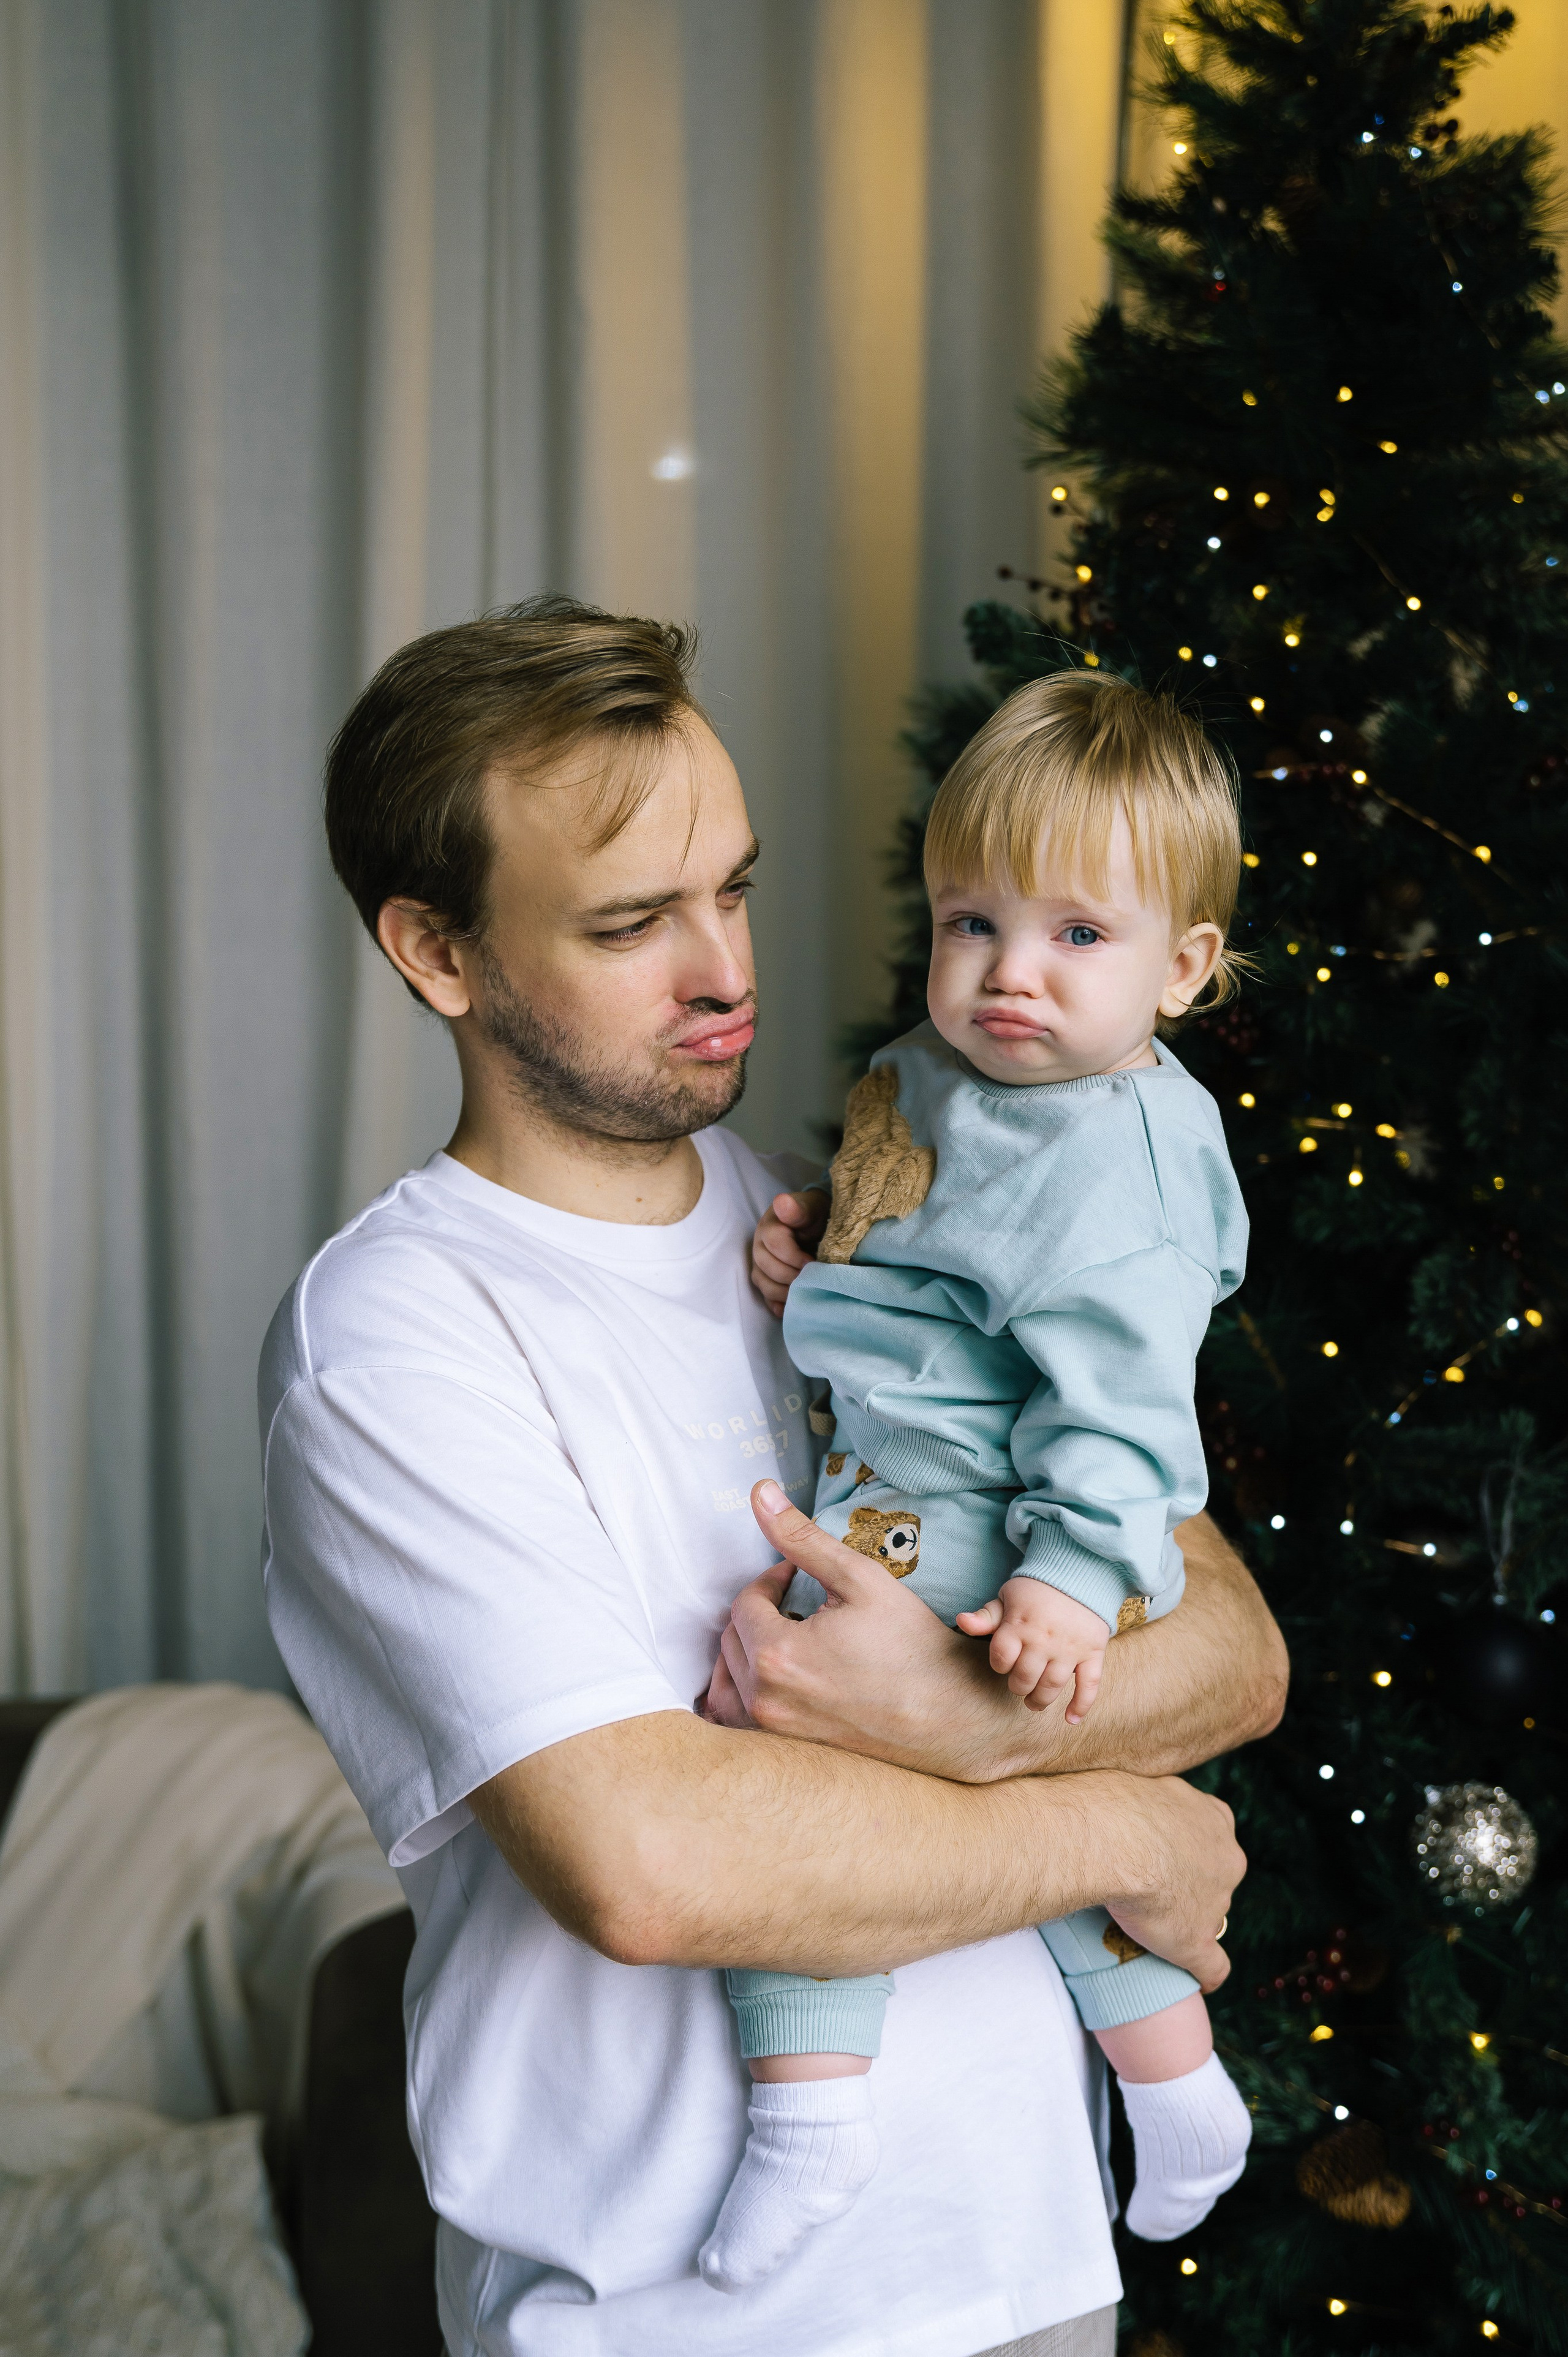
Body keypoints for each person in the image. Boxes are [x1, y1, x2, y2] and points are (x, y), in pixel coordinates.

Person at [260, 597, 1287, 2357]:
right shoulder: (393, 1338)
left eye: (731, 889)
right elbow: (653, 1856)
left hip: (1033, 2277)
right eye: (633, 921)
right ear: (437, 951)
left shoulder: (862, 1205)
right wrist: (1120, 1818)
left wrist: (964, 1719)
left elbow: (1230, 1645)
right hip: (668, 2318)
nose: (726, 970)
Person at [702, 674, 1254, 2296]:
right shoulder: (939, 1072)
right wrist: (813, 1248)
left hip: (1014, 1534)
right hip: (905, 1491)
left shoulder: (1122, 1151)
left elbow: (1127, 1407)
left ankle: (809, 2115)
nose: (1009, 973)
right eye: (970, 922)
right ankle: (1183, 2089)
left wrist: (1071, 1588)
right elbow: (907, 1228)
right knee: (1018, 1822)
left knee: (794, 1782)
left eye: (1080, 936)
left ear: (1187, 966)